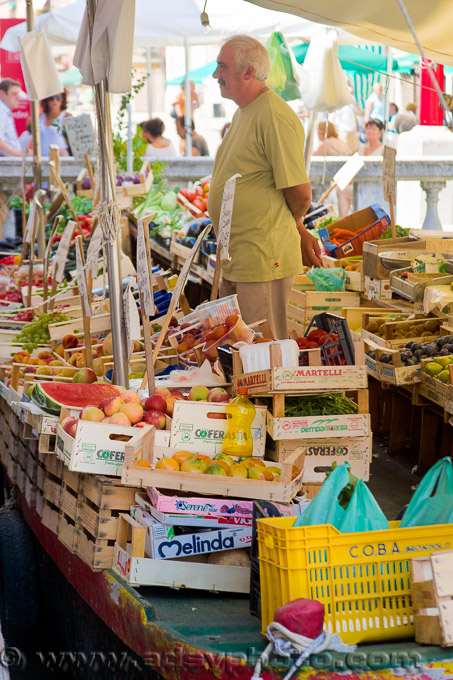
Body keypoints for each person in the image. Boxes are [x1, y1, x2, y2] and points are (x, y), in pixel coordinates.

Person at [208, 35, 320, 340]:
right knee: (240, 352)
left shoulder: (273, 116)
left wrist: (295, 226)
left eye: (222, 66)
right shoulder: (244, 111)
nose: (215, 75)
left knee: (264, 354)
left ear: (247, 72)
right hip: (240, 257)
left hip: (262, 259)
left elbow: (300, 192)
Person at [312, 121, 352, 217]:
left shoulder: (327, 143)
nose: (317, 134)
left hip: (336, 182)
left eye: (318, 131)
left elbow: (312, 158)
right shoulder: (339, 141)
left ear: (322, 132)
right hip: (345, 179)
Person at [333, 82, 362, 152]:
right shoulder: (338, 98)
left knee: (351, 149)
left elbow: (359, 112)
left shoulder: (352, 100)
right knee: (342, 149)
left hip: (352, 128)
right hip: (341, 128)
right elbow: (334, 113)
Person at [0, 79, 22, 157]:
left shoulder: (4, 110)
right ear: (2, 94)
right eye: (14, 94)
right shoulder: (1, 110)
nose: (17, 98)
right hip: (5, 163)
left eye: (17, 94)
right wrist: (17, 154)